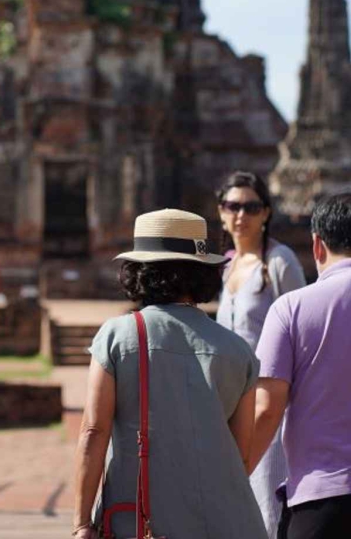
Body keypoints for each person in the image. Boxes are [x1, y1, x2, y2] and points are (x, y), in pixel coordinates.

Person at [72, 208, 268, 539]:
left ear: (137, 271)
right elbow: (240, 456)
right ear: (204, 272)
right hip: (231, 521)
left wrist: (81, 523)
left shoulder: (118, 336)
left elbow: (94, 430)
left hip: (143, 522)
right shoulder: (238, 350)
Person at [249, 191, 351, 539]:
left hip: (319, 497)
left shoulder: (290, 308)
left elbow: (267, 410)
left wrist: (237, 471)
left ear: (317, 245)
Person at [215, 171, 307, 536]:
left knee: (268, 504)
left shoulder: (280, 261)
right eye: (232, 206)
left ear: (266, 213)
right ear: (220, 212)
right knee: (234, 502)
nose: (241, 215)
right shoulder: (225, 265)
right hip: (228, 402)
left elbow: (302, 333)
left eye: (251, 207)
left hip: (271, 402)